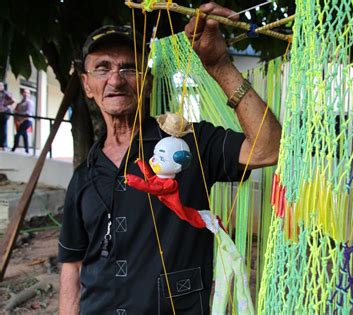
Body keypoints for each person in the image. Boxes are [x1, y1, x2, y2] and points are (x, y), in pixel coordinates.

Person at [58, 3, 281, 314]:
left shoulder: (186, 142)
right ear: (87, 85)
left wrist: (219, 66)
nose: (116, 80)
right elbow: (73, 264)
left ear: (146, 81)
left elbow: (267, 148)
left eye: (129, 68)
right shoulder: (84, 176)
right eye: (102, 68)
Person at [11, 88, 34, 153]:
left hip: (27, 121)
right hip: (20, 121)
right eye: (24, 92)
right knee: (24, 134)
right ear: (22, 93)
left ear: (29, 94)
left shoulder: (30, 102)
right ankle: (27, 150)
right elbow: (16, 111)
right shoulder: (20, 103)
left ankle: (13, 149)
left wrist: (21, 120)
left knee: (18, 134)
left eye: (27, 93)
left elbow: (29, 113)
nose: (25, 94)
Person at [0, 82, 15, 150]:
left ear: (2, 87)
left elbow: (13, 100)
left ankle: (3, 145)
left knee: (3, 128)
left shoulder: (5, 93)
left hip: (4, 112)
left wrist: (5, 104)